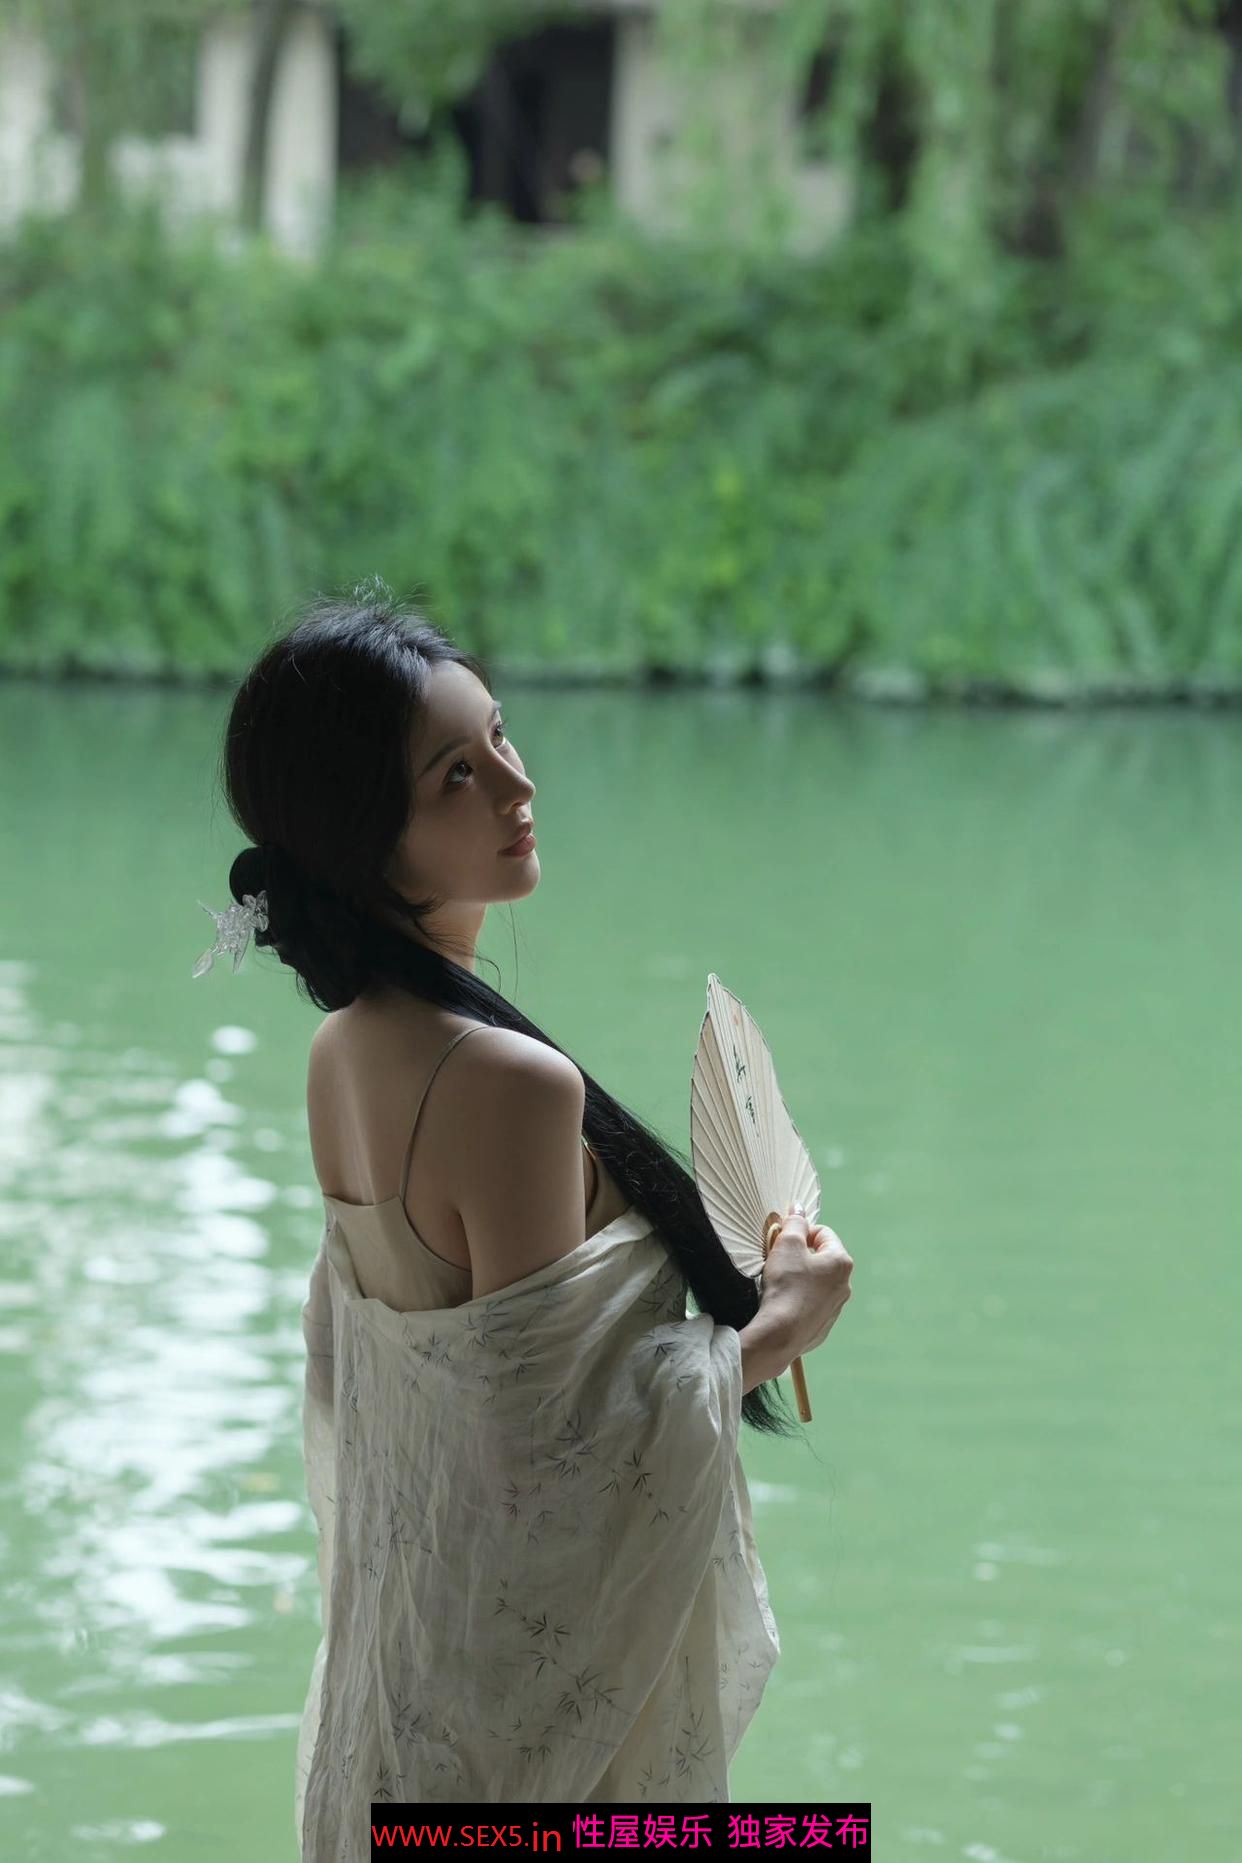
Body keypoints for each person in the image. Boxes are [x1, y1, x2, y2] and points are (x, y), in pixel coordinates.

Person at [211, 580, 852, 1851]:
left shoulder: (345, 1052)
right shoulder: (508, 1083)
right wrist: (784, 1322)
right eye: (457, 774)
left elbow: (447, 1414)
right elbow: (551, 1471)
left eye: (500, 736)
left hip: (393, 1722)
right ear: (365, 830)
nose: (518, 786)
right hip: (513, 1772)